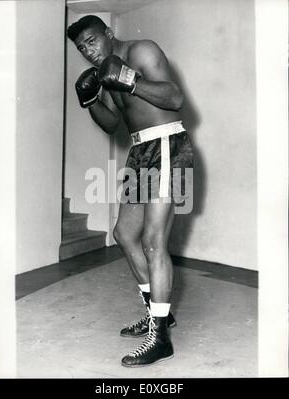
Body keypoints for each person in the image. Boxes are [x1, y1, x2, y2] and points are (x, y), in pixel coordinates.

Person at [67, 15, 193, 367]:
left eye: (92, 41)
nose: (88, 51)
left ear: (108, 33)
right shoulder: (103, 75)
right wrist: (91, 100)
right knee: (123, 233)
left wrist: (128, 78)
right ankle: (159, 314)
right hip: (140, 151)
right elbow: (111, 124)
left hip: (168, 144)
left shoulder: (141, 51)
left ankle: (161, 339)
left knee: (154, 240)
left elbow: (175, 97)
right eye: (81, 48)